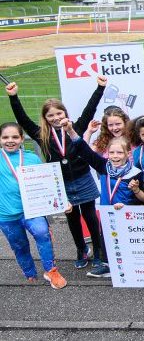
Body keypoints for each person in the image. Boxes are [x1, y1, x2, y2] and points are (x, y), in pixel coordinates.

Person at [6, 78, 106, 274]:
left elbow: (90, 109)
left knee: (90, 216)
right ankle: (81, 250)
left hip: (83, 178)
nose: (55, 117)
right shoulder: (41, 135)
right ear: (45, 117)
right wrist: (14, 97)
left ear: (65, 114)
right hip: (60, 183)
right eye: (50, 115)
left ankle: (98, 253)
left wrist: (100, 88)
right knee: (72, 219)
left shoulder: (75, 127)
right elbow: (23, 120)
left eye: (59, 113)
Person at [64, 119, 144, 277]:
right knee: (106, 239)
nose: (115, 156)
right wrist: (70, 131)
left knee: (128, 240)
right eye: (112, 152)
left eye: (120, 152)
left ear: (128, 154)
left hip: (128, 215)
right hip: (108, 214)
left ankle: (133, 267)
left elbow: (141, 198)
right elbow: (84, 150)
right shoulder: (103, 166)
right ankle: (107, 265)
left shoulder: (136, 173)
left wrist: (131, 200)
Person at [0, 122, 67, 289]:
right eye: (5, 137)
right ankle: (30, 274)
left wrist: (63, 201)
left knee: (43, 233)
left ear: (22, 139)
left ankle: (51, 271)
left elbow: (48, 184)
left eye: (15, 137)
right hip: (6, 215)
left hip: (32, 210)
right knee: (19, 246)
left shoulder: (32, 158)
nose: (10, 140)